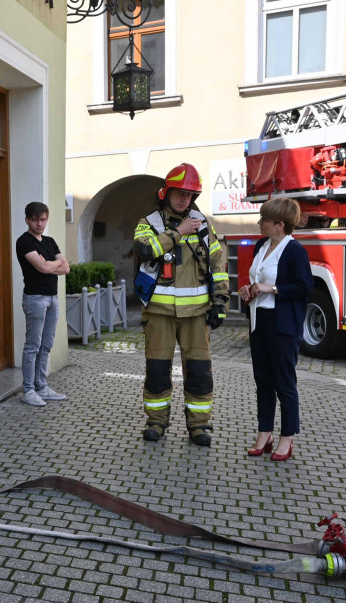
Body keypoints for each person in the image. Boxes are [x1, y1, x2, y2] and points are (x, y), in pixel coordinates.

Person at [134, 163, 229, 445]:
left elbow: (217, 263)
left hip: (196, 314)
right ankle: (156, 422)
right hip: (158, 313)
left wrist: (221, 300)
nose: (184, 199)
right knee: (158, 372)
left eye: (190, 194)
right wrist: (178, 233)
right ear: (166, 192)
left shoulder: (203, 225)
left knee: (199, 373)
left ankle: (199, 426)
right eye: (179, 193)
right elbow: (144, 250)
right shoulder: (148, 223)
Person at [239, 198, 313, 461]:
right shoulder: (261, 245)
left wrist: (273, 288)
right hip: (259, 322)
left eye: (264, 220)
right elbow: (255, 279)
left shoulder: (294, 251)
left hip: (283, 326)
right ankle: (264, 433)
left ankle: (287, 437)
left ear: (280, 225)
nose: (260, 223)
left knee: (284, 384)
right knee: (263, 382)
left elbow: (305, 287)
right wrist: (247, 290)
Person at [15, 202, 70, 406]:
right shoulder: (24, 242)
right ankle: (28, 390)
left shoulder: (49, 241)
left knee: (46, 345)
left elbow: (66, 268)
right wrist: (50, 265)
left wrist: (49, 264)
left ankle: (41, 386)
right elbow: (43, 268)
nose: (40, 223)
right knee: (33, 346)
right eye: (36, 220)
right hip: (35, 299)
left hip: (52, 298)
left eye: (43, 219)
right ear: (27, 219)